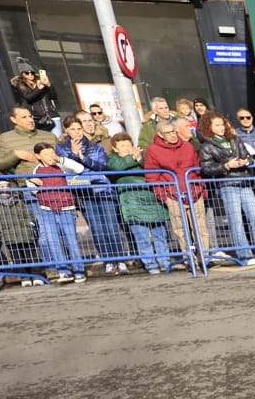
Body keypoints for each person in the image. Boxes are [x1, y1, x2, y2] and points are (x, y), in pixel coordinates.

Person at [197, 110, 255, 265]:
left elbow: (249, 156)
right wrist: (226, 165)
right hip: (227, 184)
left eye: (222, 124)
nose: (221, 128)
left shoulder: (235, 139)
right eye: (217, 125)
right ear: (209, 127)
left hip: (245, 181)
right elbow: (207, 168)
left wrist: (246, 161)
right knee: (236, 222)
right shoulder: (207, 146)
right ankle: (245, 255)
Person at [55, 115, 130, 277]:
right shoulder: (61, 148)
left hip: (103, 189)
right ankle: (108, 260)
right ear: (66, 131)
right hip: (84, 192)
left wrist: (83, 158)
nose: (77, 132)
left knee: (111, 227)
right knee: (97, 229)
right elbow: (68, 168)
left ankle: (120, 259)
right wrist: (74, 156)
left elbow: (102, 166)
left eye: (79, 129)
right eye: (73, 129)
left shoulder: (94, 146)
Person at [106, 134, 174, 274]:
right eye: (122, 146)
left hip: (150, 197)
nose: (127, 148)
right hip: (131, 200)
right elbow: (116, 168)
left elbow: (153, 168)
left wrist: (139, 159)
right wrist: (131, 158)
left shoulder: (142, 156)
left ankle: (164, 261)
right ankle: (150, 263)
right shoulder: (112, 159)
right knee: (141, 236)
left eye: (128, 144)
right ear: (115, 148)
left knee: (160, 233)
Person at [144, 118, 205, 261]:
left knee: (201, 229)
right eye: (168, 133)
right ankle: (189, 258)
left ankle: (204, 257)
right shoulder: (153, 150)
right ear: (160, 134)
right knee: (181, 230)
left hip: (194, 192)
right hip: (172, 195)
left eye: (173, 132)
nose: (172, 135)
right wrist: (163, 196)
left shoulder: (187, 146)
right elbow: (152, 176)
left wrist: (201, 188)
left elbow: (197, 169)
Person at [28, 141, 89, 283]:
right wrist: (34, 183)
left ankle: (79, 270)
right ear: (38, 156)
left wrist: (60, 159)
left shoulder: (62, 165)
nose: (50, 156)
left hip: (66, 207)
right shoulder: (36, 170)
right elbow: (32, 188)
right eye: (46, 154)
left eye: (52, 153)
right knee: (53, 240)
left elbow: (79, 169)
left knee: (71, 239)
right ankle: (63, 271)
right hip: (47, 209)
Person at [0, 106, 58, 177]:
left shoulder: (50, 136)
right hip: (27, 184)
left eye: (30, 116)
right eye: (24, 117)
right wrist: (15, 155)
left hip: (56, 181)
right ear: (13, 119)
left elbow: (63, 159)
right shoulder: (3, 138)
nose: (30, 120)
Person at [10, 59, 59, 134]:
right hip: (37, 118)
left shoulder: (41, 81)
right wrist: (38, 89)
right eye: (27, 73)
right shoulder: (21, 86)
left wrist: (49, 85)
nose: (30, 75)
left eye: (32, 72)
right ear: (22, 74)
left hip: (52, 115)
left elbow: (54, 96)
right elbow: (29, 98)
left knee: (57, 138)